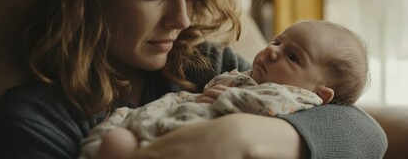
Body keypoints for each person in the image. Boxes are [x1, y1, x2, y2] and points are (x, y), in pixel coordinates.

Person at [0, 0, 387, 158]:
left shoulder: (207, 65)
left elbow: (367, 134)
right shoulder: (38, 119)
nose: (181, 19)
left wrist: (250, 136)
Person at [79, 19, 370, 159]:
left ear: (320, 94)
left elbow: (367, 132)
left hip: (188, 136)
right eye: (277, 42)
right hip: (161, 126)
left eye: (292, 56)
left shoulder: (287, 93)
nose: (271, 52)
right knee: (115, 137)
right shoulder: (44, 115)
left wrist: (236, 129)